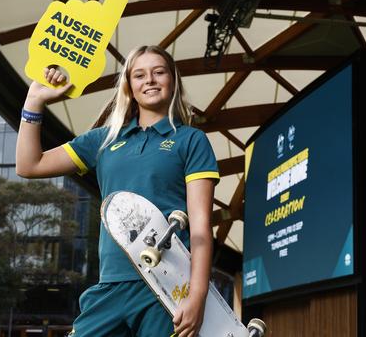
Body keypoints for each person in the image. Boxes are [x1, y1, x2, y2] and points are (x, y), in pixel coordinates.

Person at [16, 45, 219, 337]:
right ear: (129, 87)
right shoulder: (104, 140)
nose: (149, 80)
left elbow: (200, 227)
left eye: (158, 72)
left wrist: (197, 295)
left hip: (167, 286)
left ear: (172, 81)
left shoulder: (191, 140)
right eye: (139, 75)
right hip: (111, 284)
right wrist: (34, 101)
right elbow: (29, 165)